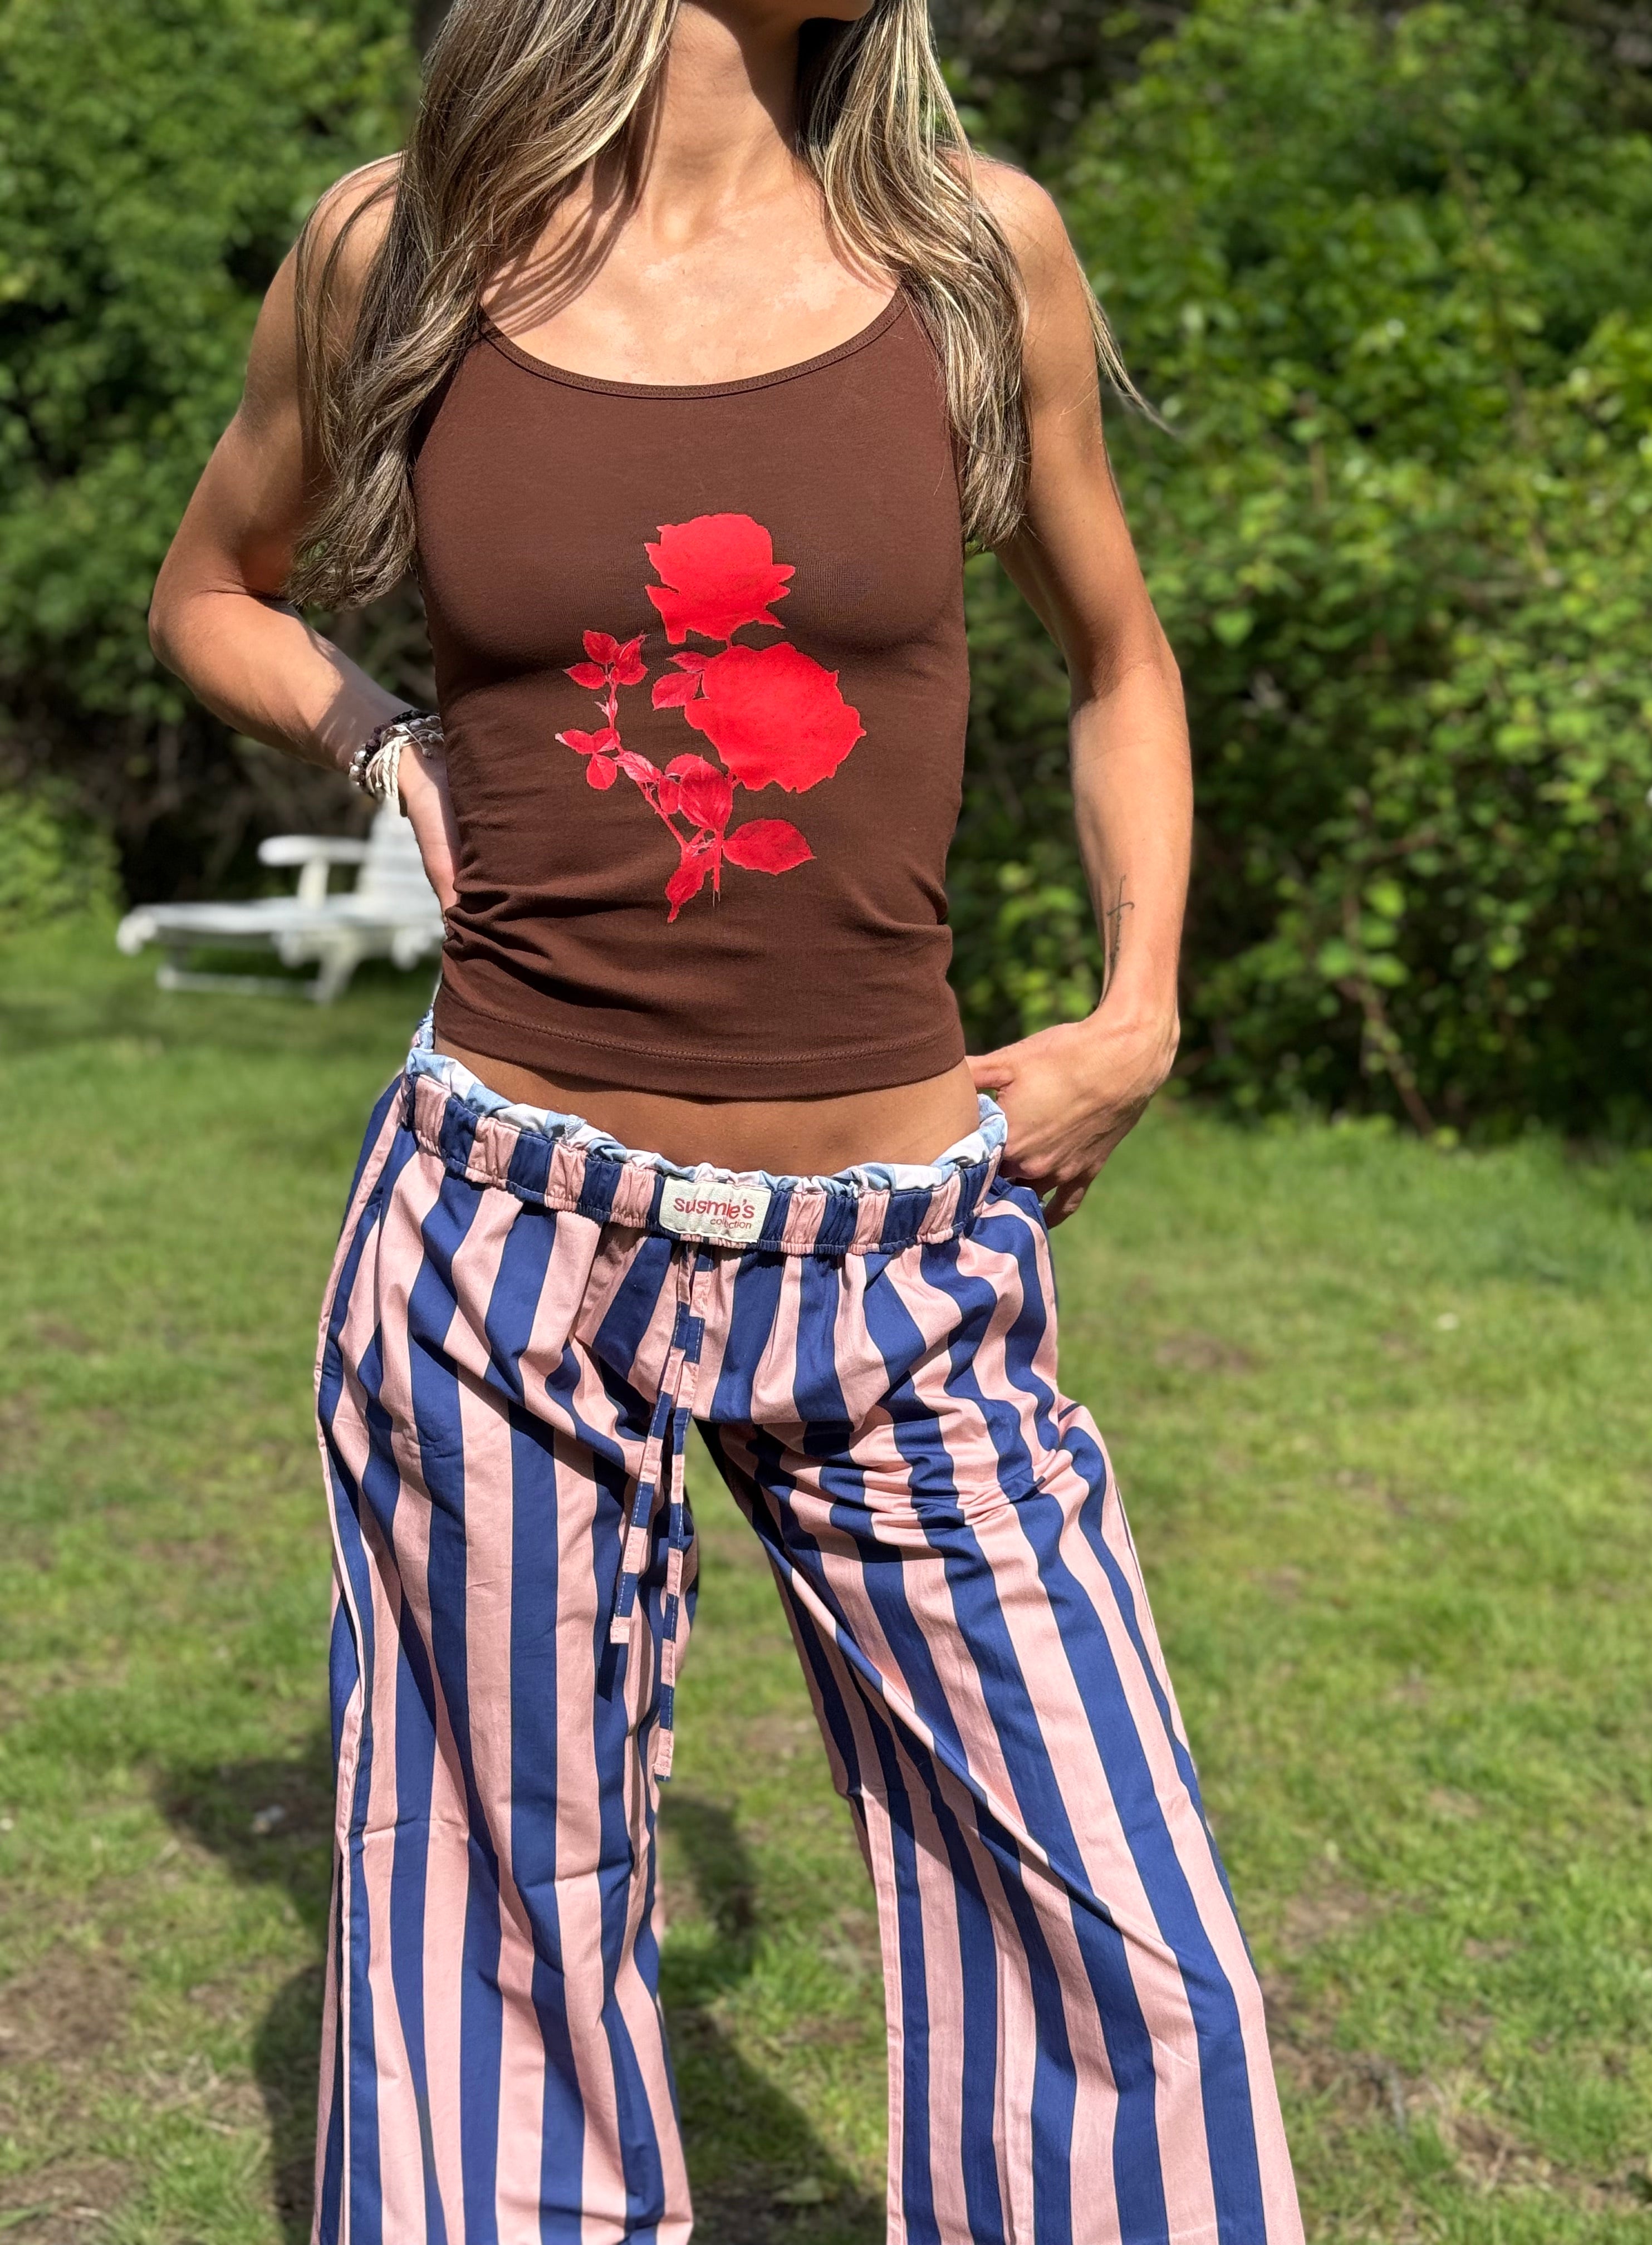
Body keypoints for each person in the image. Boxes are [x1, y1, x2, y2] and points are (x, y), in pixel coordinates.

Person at [149, 0, 1306, 2236]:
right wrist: (387, 744)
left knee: (1126, 1951)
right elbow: (216, 588)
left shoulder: (978, 249)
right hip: (504, 1237)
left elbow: (1120, 656)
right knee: (493, 1962)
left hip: (898, 1251)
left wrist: (1141, 1006)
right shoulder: (397, 254)